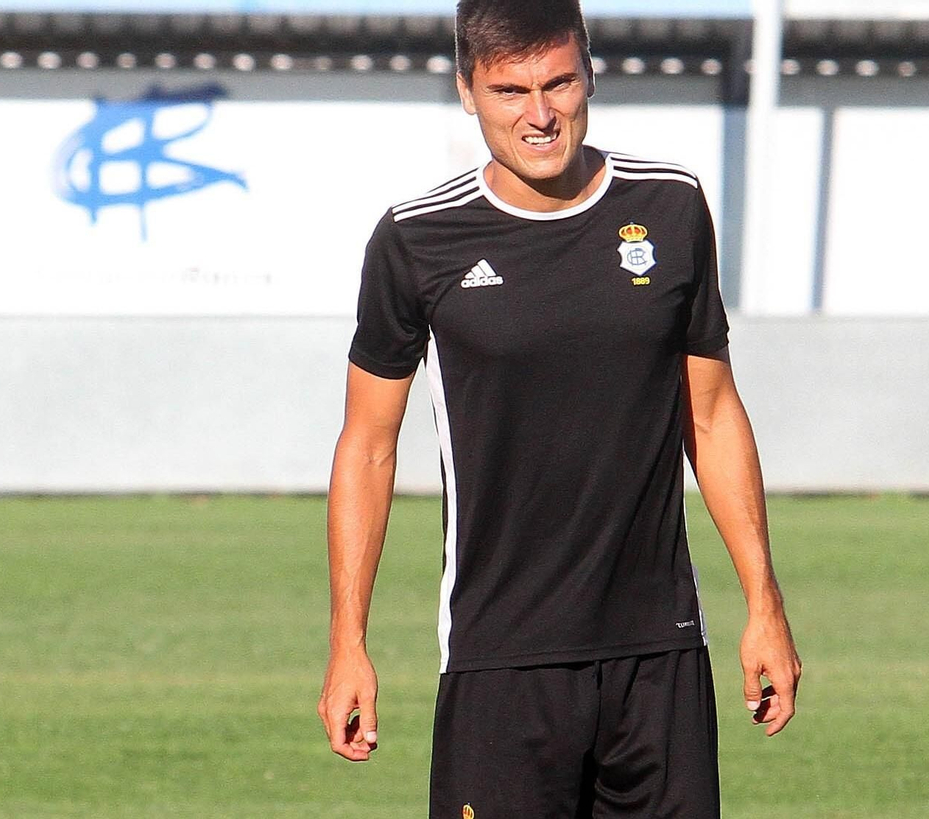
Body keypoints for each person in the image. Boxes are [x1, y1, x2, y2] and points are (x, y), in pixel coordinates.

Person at [316, 1, 801, 815]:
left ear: (589, 74)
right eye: (510, 91)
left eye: (558, 84)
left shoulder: (673, 208)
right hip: (499, 660)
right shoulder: (416, 239)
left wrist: (765, 605)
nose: (539, 115)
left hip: (660, 652)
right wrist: (348, 645)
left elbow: (712, 416)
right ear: (468, 89)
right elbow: (367, 445)